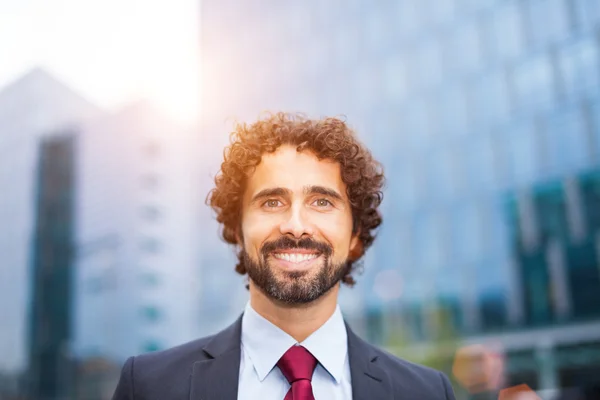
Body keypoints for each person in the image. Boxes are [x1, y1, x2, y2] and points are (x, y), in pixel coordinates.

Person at [112, 113, 456, 399]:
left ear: (355, 236)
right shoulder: (147, 386)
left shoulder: (427, 393)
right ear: (237, 229)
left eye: (322, 202)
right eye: (271, 202)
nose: (295, 225)